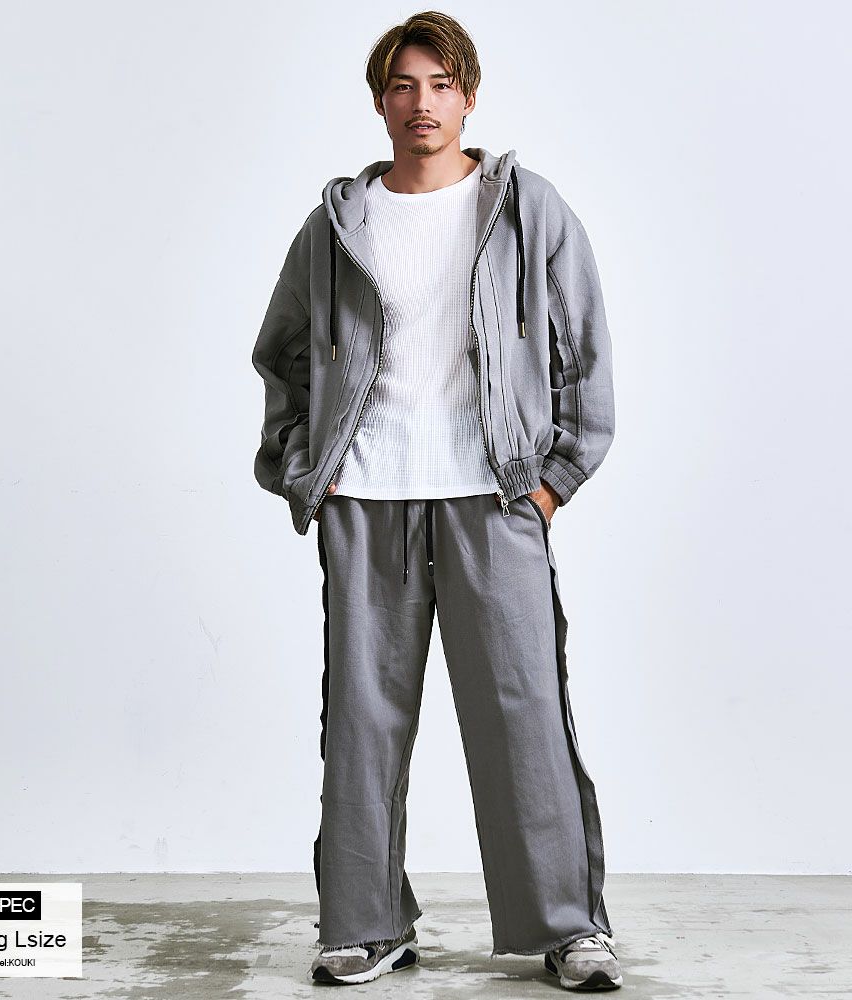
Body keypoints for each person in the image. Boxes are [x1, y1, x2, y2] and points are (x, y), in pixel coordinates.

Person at [251, 10, 622, 990]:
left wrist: (552, 481)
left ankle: (568, 927)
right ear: (380, 102)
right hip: (367, 496)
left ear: (469, 96)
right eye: (404, 86)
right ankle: (364, 924)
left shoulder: (526, 208)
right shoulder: (336, 226)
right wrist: (306, 466)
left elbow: (583, 349)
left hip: (493, 493)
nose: (423, 103)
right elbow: (282, 355)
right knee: (361, 719)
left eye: (441, 84)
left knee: (522, 712)